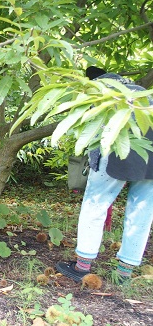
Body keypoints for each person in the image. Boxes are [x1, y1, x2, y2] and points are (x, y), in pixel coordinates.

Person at [56, 66, 153, 284]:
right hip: (151, 149)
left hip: (119, 144)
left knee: (95, 203)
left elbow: (95, 132)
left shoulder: (99, 91)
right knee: (142, 210)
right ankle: (124, 274)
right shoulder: (137, 90)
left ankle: (82, 267)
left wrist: (94, 162)